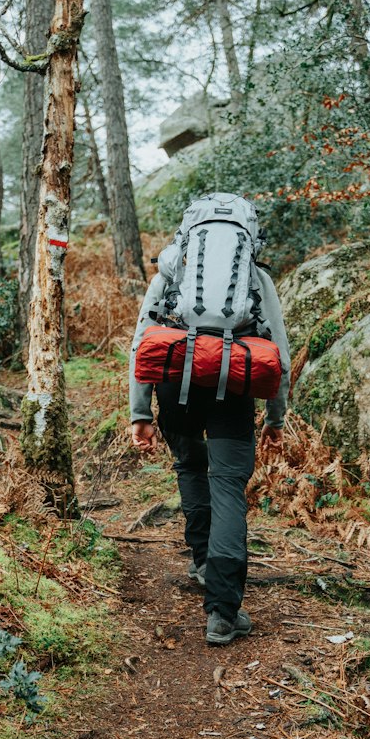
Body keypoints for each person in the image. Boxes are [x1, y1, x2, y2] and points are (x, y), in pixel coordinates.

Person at [128, 237, 290, 645]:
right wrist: (276, 416)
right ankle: (222, 612)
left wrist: (141, 413)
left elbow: (142, 342)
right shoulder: (254, 276)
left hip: (173, 385)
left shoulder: (170, 271)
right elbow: (278, 350)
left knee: (189, 466)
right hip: (234, 386)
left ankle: (202, 560)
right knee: (228, 485)